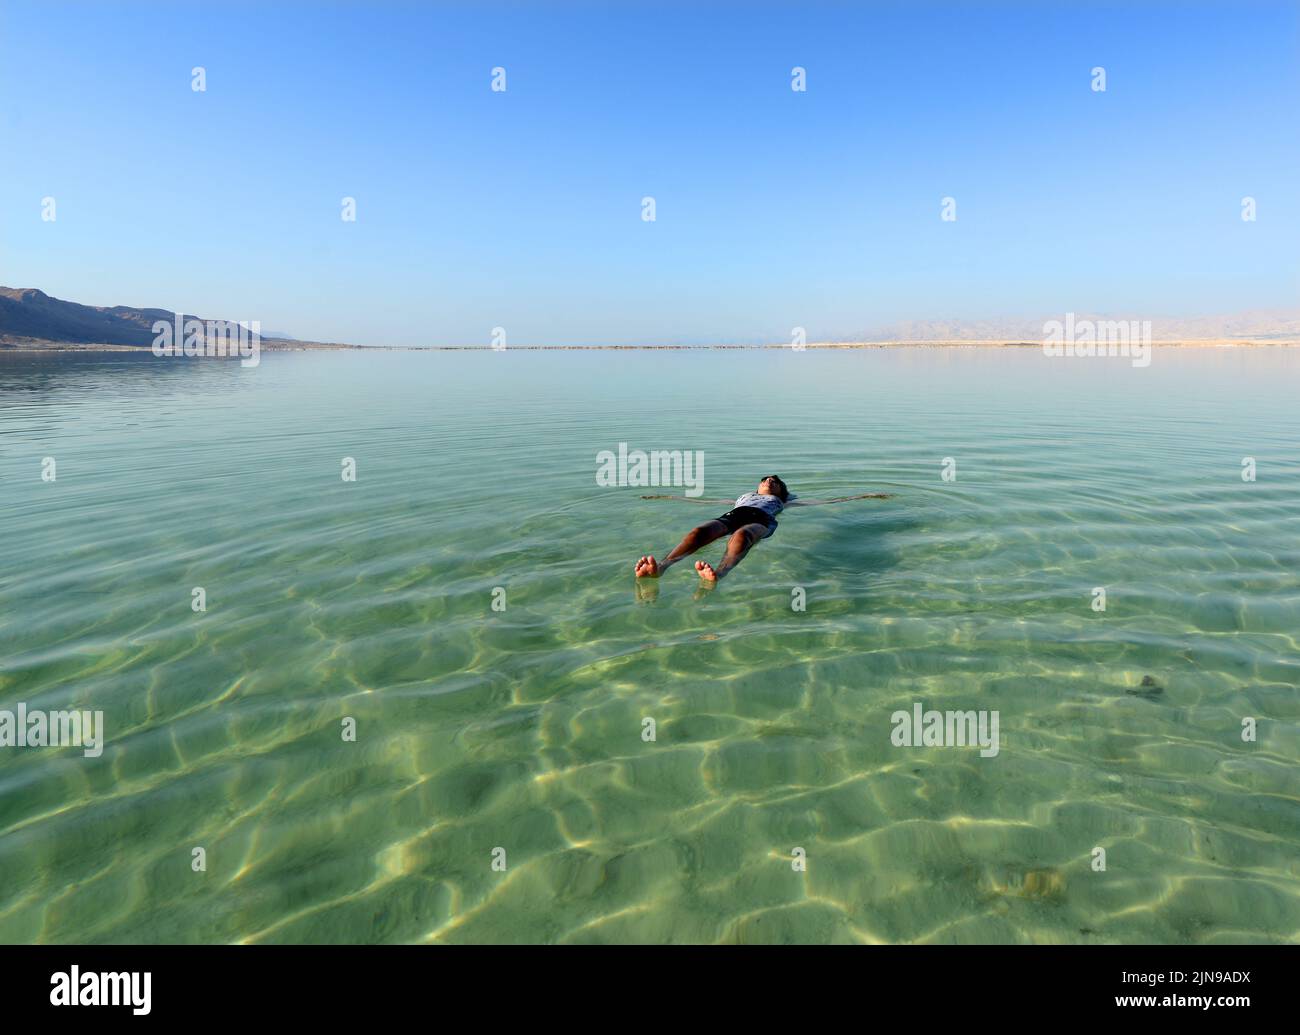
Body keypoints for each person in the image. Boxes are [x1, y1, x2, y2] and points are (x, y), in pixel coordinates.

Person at [634, 475, 892, 582]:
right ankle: (663, 566)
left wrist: (866, 496)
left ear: (782, 492)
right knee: (699, 532)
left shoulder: (781, 502)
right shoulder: (741, 498)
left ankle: (720, 573)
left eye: (776, 482)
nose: (770, 481)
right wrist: (665, 497)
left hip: (762, 520)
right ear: (757, 488)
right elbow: (703, 500)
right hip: (734, 514)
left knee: (743, 535)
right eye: (766, 479)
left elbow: (827, 500)